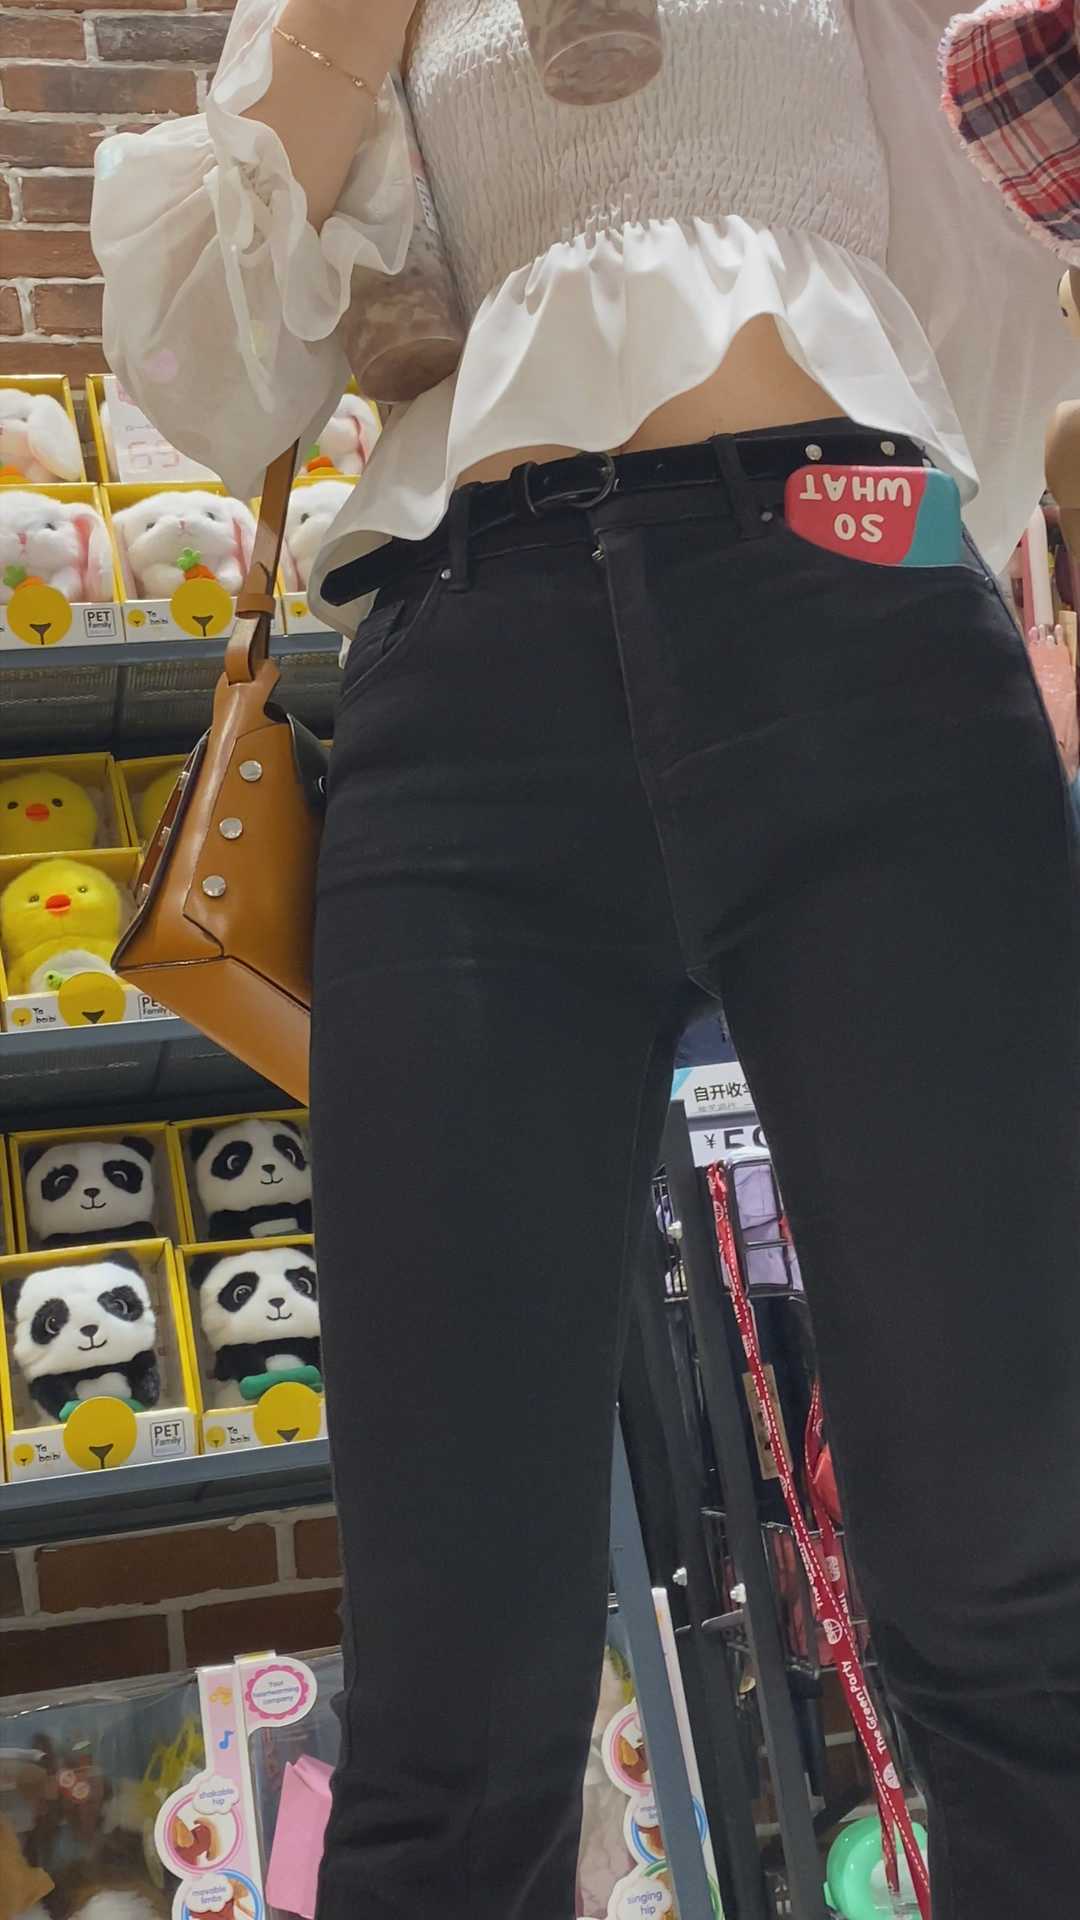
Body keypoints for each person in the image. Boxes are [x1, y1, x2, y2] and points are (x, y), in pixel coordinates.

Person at [93, 1, 1080, 1913]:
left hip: (856, 596)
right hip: (467, 679)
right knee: (449, 1691)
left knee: (1015, 1588)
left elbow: (991, 233)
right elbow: (220, 376)